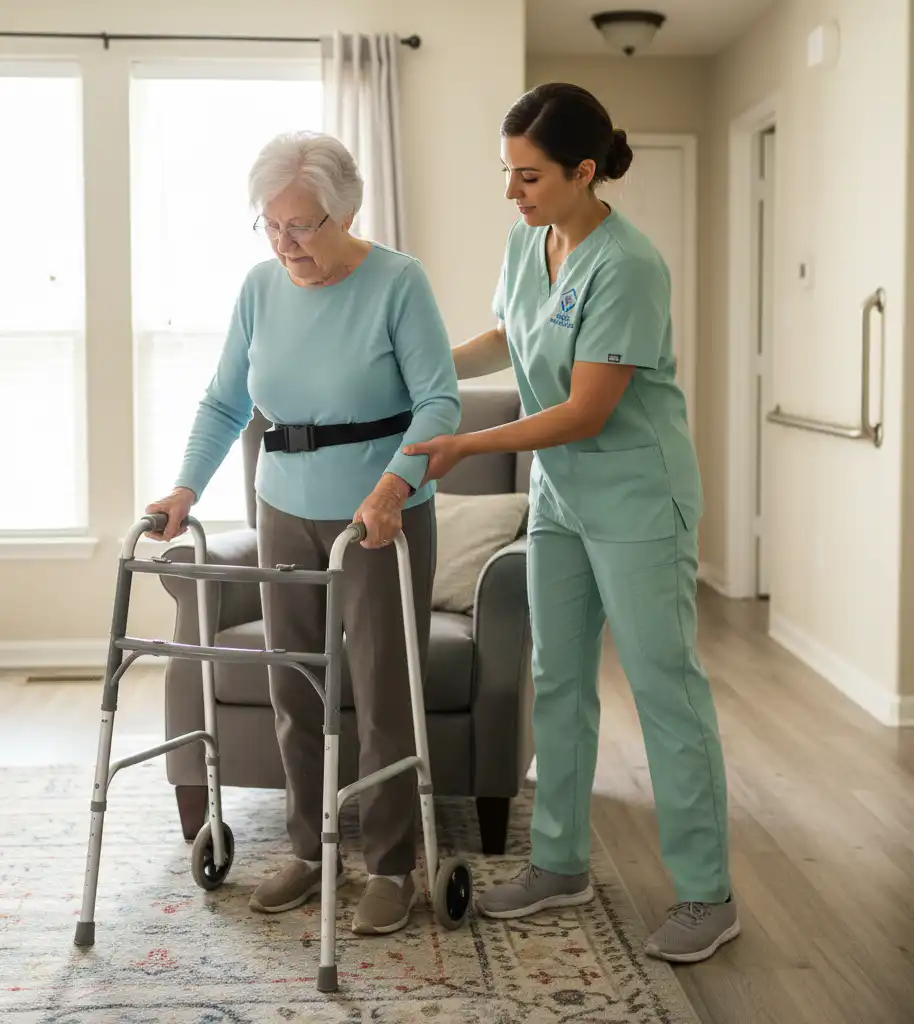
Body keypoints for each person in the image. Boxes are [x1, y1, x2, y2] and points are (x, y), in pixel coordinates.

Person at [403, 84, 738, 963]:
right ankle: (558, 863)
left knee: (666, 691)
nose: (511, 193)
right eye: (506, 174)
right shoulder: (530, 239)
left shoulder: (628, 265)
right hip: (561, 497)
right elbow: (505, 339)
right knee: (556, 677)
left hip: (635, 496)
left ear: (584, 173)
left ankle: (708, 893)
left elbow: (587, 410)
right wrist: (413, 361)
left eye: (529, 177)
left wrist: (465, 439)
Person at [145, 130, 460, 937]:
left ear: (347, 212)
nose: (287, 244)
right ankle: (312, 850)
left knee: (383, 688)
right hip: (282, 503)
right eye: (272, 225)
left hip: (379, 513)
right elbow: (224, 404)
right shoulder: (259, 287)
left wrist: (395, 486)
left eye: (304, 226)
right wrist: (185, 489)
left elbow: (438, 404)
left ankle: (390, 863)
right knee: (294, 684)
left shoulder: (398, 282)